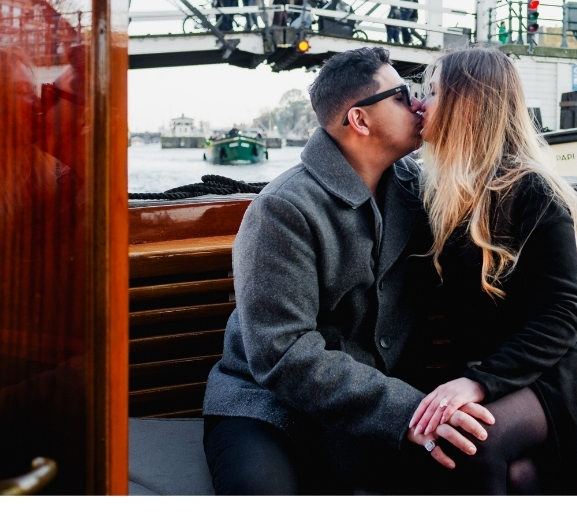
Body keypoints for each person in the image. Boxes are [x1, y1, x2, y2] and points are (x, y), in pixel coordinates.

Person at [202, 47, 493, 494]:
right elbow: (283, 354)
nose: (419, 104)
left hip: (388, 404)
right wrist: (408, 413)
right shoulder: (283, 209)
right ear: (360, 120)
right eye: (402, 96)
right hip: (271, 408)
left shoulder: (418, 191)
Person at [395, 46, 577, 495]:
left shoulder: (531, 190)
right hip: (500, 366)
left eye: (432, 92)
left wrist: (477, 382)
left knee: (475, 442)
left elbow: (561, 315)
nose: (419, 104)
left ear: (466, 106)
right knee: (511, 474)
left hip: (564, 364)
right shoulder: (435, 191)